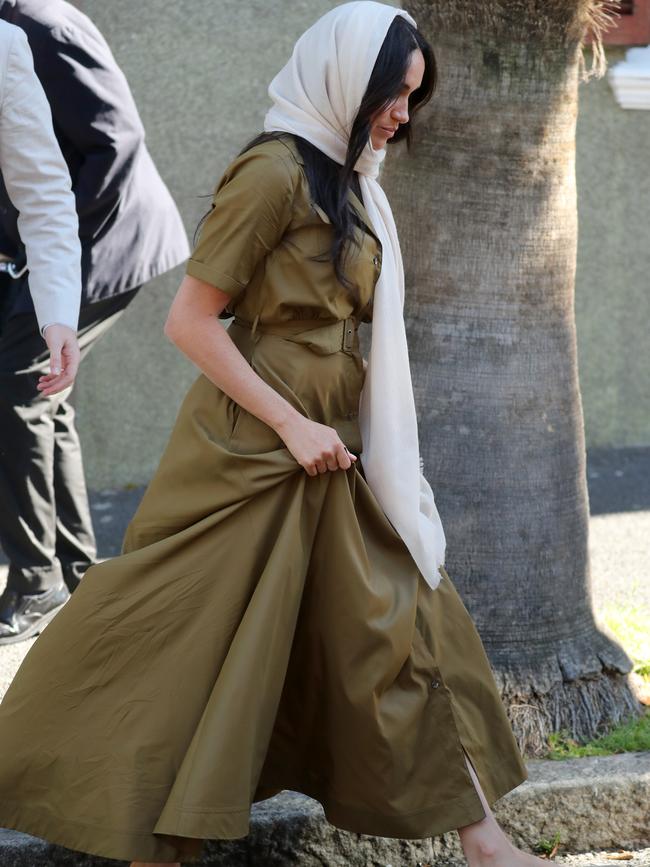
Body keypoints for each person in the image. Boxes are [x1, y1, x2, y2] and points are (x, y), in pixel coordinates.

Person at [0, 3, 549, 865]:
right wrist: (292, 425)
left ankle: (484, 839)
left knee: (404, 622)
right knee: (183, 640)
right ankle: (132, 831)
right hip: (251, 449)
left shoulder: (350, 182)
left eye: (411, 99)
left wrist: (326, 429)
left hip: (330, 445)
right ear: (345, 80)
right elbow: (190, 322)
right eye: (393, 96)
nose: (403, 117)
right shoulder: (272, 173)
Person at [0, 0, 190, 645]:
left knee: (18, 392)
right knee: (44, 399)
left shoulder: (42, 25)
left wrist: (45, 267)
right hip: (50, 249)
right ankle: (80, 577)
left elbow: (113, 145)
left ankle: (35, 580)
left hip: (101, 243)